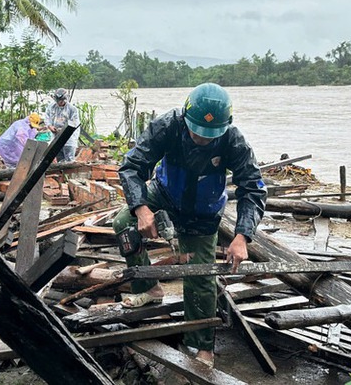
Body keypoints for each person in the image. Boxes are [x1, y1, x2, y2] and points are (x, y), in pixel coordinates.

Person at [111, 83, 266, 367]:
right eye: (196, 131)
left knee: (200, 276)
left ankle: (202, 346)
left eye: (209, 136)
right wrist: (142, 208)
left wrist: (243, 235)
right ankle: (148, 287)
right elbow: (132, 166)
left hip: (203, 209)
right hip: (165, 193)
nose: (201, 139)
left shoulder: (233, 140)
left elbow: (253, 189)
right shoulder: (168, 126)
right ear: (185, 117)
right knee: (123, 222)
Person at [45, 88, 80, 162]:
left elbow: (75, 123)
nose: (59, 102)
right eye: (58, 101)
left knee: (69, 160)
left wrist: (64, 130)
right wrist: (50, 126)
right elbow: (47, 118)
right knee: (59, 160)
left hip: (69, 139)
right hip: (56, 137)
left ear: (65, 99)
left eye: (61, 100)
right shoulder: (51, 107)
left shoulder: (72, 109)